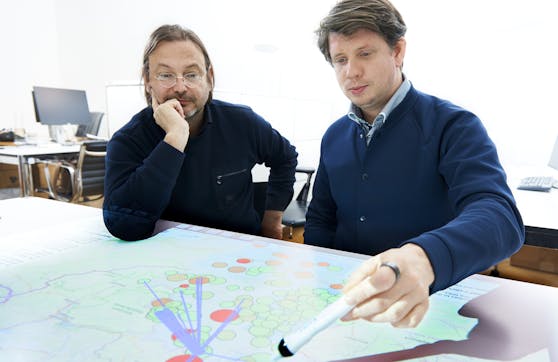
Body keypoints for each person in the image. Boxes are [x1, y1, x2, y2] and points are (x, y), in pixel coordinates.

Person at [305, 0, 524, 328]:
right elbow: (321, 219)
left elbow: (501, 218)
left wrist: (423, 259)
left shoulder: (454, 126)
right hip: (348, 306)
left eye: (365, 54)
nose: (351, 72)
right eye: (340, 59)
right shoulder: (334, 136)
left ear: (397, 51)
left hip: (425, 308)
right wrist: (321, 284)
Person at [103, 24, 297, 241]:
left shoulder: (242, 122)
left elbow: (286, 157)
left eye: (191, 74)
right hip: (167, 261)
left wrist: (271, 220)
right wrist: (175, 138)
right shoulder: (128, 140)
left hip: (239, 254)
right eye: (166, 75)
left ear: (209, 77)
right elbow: (123, 227)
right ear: (148, 80)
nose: (180, 87)